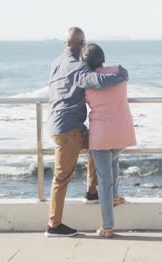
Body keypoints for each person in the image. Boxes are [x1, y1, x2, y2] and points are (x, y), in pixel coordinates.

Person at [45, 27, 129, 237]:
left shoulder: (56, 63)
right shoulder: (79, 67)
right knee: (61, 177)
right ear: (82, 43)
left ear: (65, 44)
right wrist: (122, 74)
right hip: (68, 128)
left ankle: (92, 192)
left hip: (59, 123)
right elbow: (98, 81)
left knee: (96, 144)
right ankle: (54, 226)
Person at [82, 43, 136, 238]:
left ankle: (107, 227)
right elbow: (123, 74)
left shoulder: (87, 81)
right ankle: (114, 196)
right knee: (114, 159)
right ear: (102, 57)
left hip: (101, 135)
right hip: (122, 133)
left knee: (103, 181)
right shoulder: (120, 72)